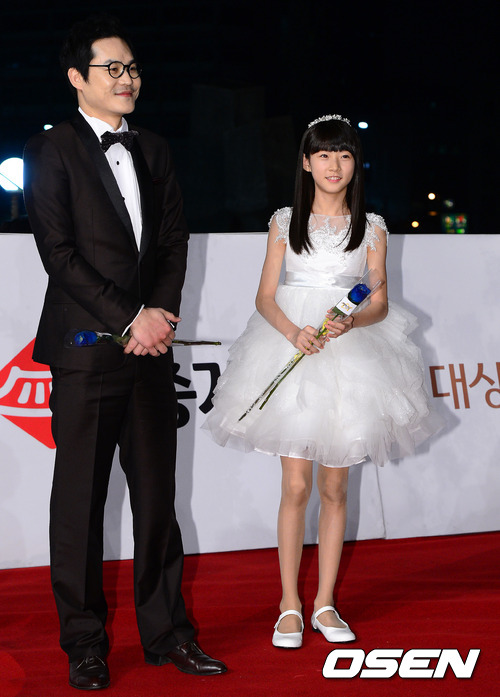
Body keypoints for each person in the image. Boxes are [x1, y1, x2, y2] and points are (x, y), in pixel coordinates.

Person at [23, 15, 226, 690]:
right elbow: (59, 254)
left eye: (132, 67)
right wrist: (130, 316)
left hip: (150, 352)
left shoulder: (155, 149)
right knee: (79, 506)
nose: (127, 78)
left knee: (158, 502)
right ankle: (84, 643)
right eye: (112, 68)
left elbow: (173, 241)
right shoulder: (51, 149)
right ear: (76, 77)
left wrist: (158, 315)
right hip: (87, 355)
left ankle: (169, 634)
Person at [204, 114, 441, 649]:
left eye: (345, 154)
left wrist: (350, 323)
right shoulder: (285, 222)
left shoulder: (372, 228)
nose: (335, 165)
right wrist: (294, 333)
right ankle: (288, 604)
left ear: (355, 164)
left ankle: (324, 602)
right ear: (307, 163)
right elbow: (265, 296)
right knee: (296, 486)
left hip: (350, 356)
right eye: (324, 154)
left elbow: (379, 302)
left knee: (336, 487)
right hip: (291, 344)